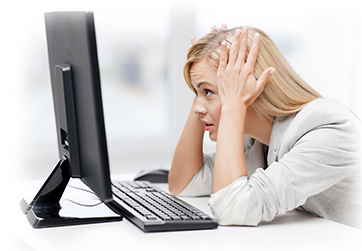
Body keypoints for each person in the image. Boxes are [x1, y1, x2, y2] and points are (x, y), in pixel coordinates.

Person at [168, 25, 362, 229]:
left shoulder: (327, 127)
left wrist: (233, 105)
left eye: (208, 92)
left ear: (250, 86)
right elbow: (184, 182)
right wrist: (201, 84)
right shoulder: (255, 140)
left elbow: (233, 209)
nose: (197, 108)